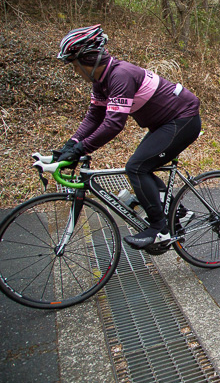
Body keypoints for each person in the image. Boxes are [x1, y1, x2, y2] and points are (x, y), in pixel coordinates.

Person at [55, 24, 202, 250]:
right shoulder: (101, 82)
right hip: (164, 123)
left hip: (183, 120)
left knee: (136, 167)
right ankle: (178, 213)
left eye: (75, 65)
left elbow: (113, 124)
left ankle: (159, 230)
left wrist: (82, 149)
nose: (75, 71)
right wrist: (72, 143)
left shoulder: (120, 76)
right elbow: (94, 117)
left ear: (88, 59)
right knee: (140, 165)